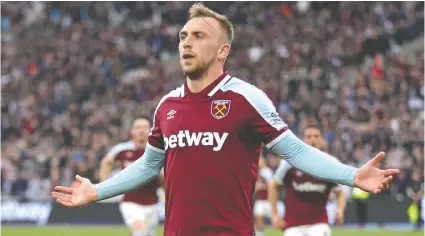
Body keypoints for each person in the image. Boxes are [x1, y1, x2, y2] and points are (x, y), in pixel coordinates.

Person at [52, 3, 399, 236]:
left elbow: (296, 152)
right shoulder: (167, 106)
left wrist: (352, 175)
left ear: (223, 50)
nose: (186, 43)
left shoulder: (245, 98)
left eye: (198, 36)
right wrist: (97, 191)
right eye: (183, 36)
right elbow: (147, 166)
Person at [268, 125, 347, 236]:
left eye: (316, 136)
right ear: (302, 139)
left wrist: (340, 210)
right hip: (292, 225)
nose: (312, 139)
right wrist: (274, 215)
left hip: (319, 224)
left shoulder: (331, 163)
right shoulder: (289, 162)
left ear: (322, 140)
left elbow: (340, 191)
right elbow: (273, 186)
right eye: (308, 136)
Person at [99, 117, 162, 236]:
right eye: (138, 127)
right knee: (140, 231)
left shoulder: (159, 151)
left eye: (144, 127)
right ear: (132, 131)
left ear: (151, 130)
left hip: (153, 203)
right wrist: (104, 184)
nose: (141, 131)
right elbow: (106, 162)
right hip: (130, 202)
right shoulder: (123, 149)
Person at [253, 156, 274, 236]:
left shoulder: (266, 171)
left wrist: (261, 186)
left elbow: (271, 185)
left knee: (274, 222)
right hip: (260, 200)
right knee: (259, 222)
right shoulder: (258, 171)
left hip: (268, 200)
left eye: (260, 161)